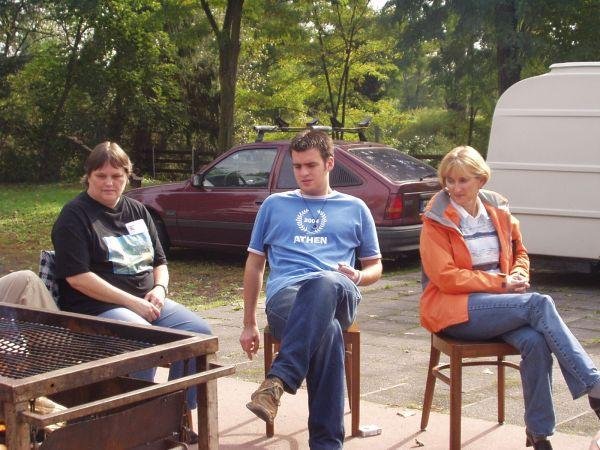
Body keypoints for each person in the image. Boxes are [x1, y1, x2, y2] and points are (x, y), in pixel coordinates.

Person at [419, 145, 600, 450]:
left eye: (463, 180)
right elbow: (445, 277)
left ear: (481, 180)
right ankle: (594, 385)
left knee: (536, 341)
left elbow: (520, 253)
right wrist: (501, 283)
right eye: (449, 180)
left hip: (501, 306)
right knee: (539, 303)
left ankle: (539, 435)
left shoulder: (498, 211)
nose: (455, 188)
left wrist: (517, 275)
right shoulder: (435, 220)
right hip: (455, 311)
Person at [51, 141, 211, 442]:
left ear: (128, 176)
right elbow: (77, 277)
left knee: (198, 335)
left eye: (117, 175)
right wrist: (133, 303)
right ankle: (138, 429)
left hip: (147, 301)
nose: (109, 183)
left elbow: (160, 262)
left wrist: (160, 288)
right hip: (95, 308)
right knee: (142, 340)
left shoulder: (137, 210)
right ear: (88, 176)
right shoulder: (74, 216)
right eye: (101, 176)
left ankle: (176, 416)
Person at [239, 129, 383, 449]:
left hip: (340, 291)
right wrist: (249, 322)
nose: (303, 173)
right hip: (287, 297)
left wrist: (359, 276)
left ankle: (279, 378)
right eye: (297, 166)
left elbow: (375, 266)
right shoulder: (274, 205)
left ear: (329, 163)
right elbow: (255, 265)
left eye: (311, 165)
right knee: (328, 332)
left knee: (326, 281)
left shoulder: (356, 208)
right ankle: (327, 445)